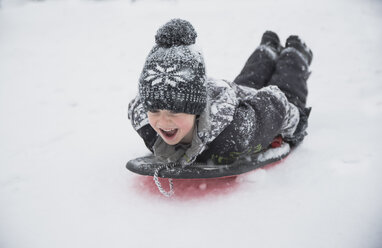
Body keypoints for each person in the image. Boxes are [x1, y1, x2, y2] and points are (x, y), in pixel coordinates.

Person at [128, 18, 312, 166]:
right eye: (154, 110)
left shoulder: (235, 131)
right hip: (226, 93)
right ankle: (267, 47)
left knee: (286, 87)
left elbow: (275, 105)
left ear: (196, 109)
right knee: (249, 78)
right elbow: (137, 107)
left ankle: (296, 51)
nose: (162, 121)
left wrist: (297, 124)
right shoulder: (146, 125)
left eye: (174, 111)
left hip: (252, 106)